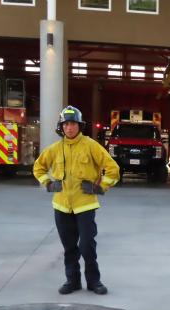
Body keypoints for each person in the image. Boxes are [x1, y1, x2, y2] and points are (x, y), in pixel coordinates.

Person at [33, 106, 120, 295]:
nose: (69, 128)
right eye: (66, 124)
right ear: (61, 127)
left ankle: (94, 281)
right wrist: (48, 183)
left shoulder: (91, 146)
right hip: (61, 207)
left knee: (87, 245)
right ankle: (72, 281)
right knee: (69, 247)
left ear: (79, 126)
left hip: (85, 205)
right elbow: (38, 168)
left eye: (73, 124)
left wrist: (100, 187)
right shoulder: (54, 149)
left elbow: (113, 169)